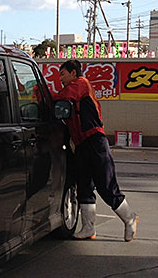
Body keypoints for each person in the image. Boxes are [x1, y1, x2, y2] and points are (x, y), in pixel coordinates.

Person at [53, 60, 138, 242]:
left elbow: (62, 96)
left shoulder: (81, 84)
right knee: (84, 185)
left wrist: (40, 93)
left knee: (106, 186)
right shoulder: (72, 89)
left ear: (74, 73)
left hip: (95, 142)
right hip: (82, 145)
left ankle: (129, 218)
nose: (61, 78)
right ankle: (88, 228)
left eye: (63, 74)